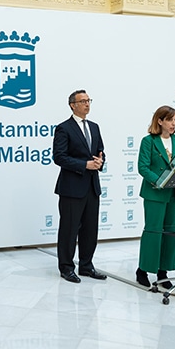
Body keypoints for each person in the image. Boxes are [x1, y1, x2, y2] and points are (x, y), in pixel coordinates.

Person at [52, 89, 106, 283]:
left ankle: (86, 265)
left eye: (89, 100)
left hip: (92, 186)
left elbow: (100, 151)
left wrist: (100, 161)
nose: (87, 104)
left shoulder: (94, 127)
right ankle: (66, 267)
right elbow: (59, 157)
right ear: (72, 105)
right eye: (82, 101)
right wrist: (84, 165)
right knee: (69, 229)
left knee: (90, 229)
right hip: (72, 188)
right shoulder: (63, 128)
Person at [135, 105, 175, 289]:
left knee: (171, 232)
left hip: (173, 193)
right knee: (153, 231)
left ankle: (163, 272)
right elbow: (143, 167)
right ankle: (143, 270)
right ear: (160, 121)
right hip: (155, 193)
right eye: (170, 120)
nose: (173, 124)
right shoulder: (148, 141)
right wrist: (160, 181)